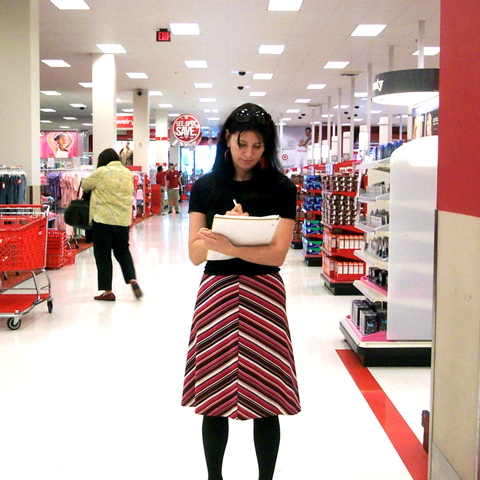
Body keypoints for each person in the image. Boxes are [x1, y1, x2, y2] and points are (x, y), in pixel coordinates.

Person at [181, 103, 301, 480]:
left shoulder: (282, 188)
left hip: (264, 293)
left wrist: (232, 246)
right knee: (214, 396)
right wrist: (218, 235)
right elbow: (194, 254)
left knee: (267, 396)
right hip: (216, 293)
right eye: (242, 144)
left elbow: (278, 252)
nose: (249, 153)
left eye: (257, 146)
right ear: (227, 141)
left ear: (267, 147)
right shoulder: (205, 187)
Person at [81, 148, 142, 301]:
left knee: (103, 255)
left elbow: (85, 185)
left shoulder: (101, 172)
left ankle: (107, 291)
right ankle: (132, 279)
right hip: (122, 220)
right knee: (122, 251)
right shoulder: (127, 173)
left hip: (103, 220)